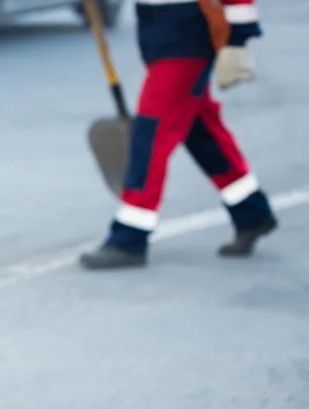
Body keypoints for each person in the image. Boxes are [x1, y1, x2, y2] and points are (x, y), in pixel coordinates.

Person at [81, 0, 276, 268]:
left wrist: (238, 36)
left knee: (150, 134)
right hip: (159, 27)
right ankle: (251, 211)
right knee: (200, 133)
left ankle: (129, 237)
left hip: (188, 32)